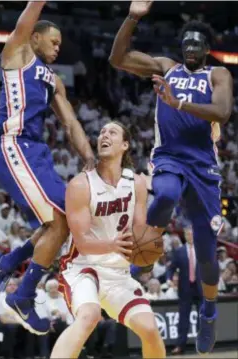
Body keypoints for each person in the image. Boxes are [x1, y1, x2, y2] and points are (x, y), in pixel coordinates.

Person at [109, 0, 233, 354]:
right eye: (187, 43)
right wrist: (132, 17)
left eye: (198, 44)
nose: (191, 48)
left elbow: (222, 113)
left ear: (207, 49)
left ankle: (209, 310)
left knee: (208, 255)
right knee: (163, 195)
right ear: (182, 47)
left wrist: (178, 103)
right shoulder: (167, 68)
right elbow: (119, 58)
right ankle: (139, 263)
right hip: (169, 158)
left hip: (204, 169)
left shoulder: (218, 75)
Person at [0, 1, 95, 335]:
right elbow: (27, 17)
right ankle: (22, 292)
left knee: (65, 223)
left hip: (37, 153)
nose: (58, 47)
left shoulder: (54, 80)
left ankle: (6, 265)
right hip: (14, 145)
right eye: (53, 41)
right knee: (61, 220)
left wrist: (89, 158)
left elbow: (72, 122)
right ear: (34, 38)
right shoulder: (18, 53)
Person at [50, 122, 165, 359]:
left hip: (118, 274)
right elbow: (81, 242)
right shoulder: (81, 184)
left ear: (125, 145)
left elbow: (139, 231)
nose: (104, 134)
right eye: (102, 132)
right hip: (83, 268)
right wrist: (113, 244)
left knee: (150, 329)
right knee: (89, 316)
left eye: (112, 132)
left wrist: (148, 248)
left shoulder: (137, 183)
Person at [167, 225, 202, 355]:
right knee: (183, 319)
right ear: (185, 236)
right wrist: (169, 279)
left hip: (201, 289)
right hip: (185, 289)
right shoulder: (179, 251)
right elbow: (170, 268)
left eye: (192, 234)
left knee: (202, 318)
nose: (190, 236)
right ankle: (180, 346)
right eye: (187, 234)